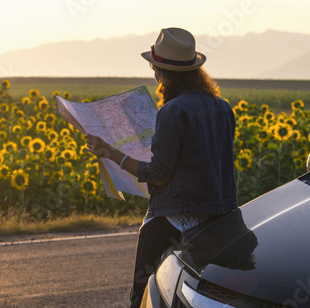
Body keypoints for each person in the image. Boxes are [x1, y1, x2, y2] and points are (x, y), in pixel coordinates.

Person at [85, 27, 238, 307]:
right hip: (220, 217)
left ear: (162, 73)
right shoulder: (223, 108)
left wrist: (112, 153)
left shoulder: (173, 111)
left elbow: (157, 176)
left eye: (154, 68)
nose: (154, 74)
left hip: (173, 217)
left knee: (143, 295)